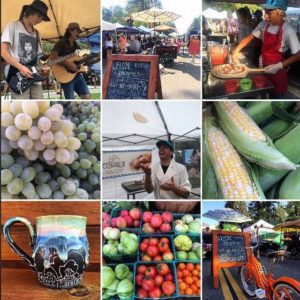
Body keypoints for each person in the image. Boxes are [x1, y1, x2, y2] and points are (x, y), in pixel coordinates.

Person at [233, 0, 300, 98]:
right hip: (262, 66)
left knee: (276, 97)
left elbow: (298, 54)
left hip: (277, 71)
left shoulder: (288, 30)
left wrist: (280, 65)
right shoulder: (264, 24)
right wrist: (236, 50)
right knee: (263, 92)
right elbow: (250, 37)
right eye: (265, 11)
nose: (265, 16)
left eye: (269, 12)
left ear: (281, 12)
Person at [1, 0, 50, 99]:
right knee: (22, 109)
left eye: (42, 18)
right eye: (39, 16)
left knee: (39, 106)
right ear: (30, 12)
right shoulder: (12, 26)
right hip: (17, 76)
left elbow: (38, 57)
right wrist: (21, 67)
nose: (41, 20)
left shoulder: (37, 33)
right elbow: (3, 51)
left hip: (35, 77)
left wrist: (43, 68)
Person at [50, 23, 91, 99]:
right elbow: (53, 57)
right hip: (65, 76)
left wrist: (89, 59)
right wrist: (67, 64)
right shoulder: (61, 43)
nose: (79, 34)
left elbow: (80, 61)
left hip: (77, 75)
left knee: (87, 97)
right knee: (70, 100)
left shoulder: (77, 46)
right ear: (71, 31)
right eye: (77, 32)